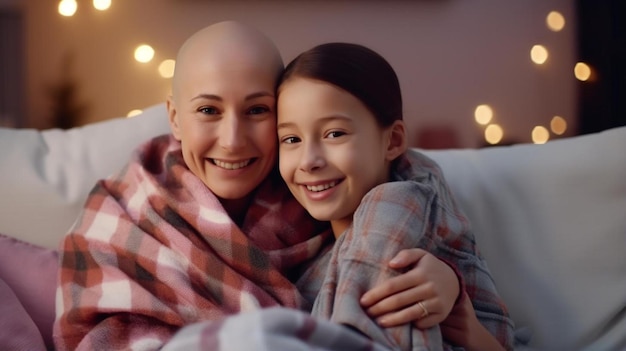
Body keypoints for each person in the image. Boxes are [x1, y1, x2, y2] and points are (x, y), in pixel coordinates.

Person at [54, 21, 461, 351]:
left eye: (257, 110)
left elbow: (403, 184)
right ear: (175, 118)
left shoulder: (324, 188)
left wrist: (451, 288)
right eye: (209, 110)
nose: (233, 139)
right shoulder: (121, 211)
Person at [276, 42, 516, 350]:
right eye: (291, 139)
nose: (309, 160)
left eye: (335, 134)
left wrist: (469, 325)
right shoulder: (297, 252)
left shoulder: (399, 203)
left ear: (393, 140)